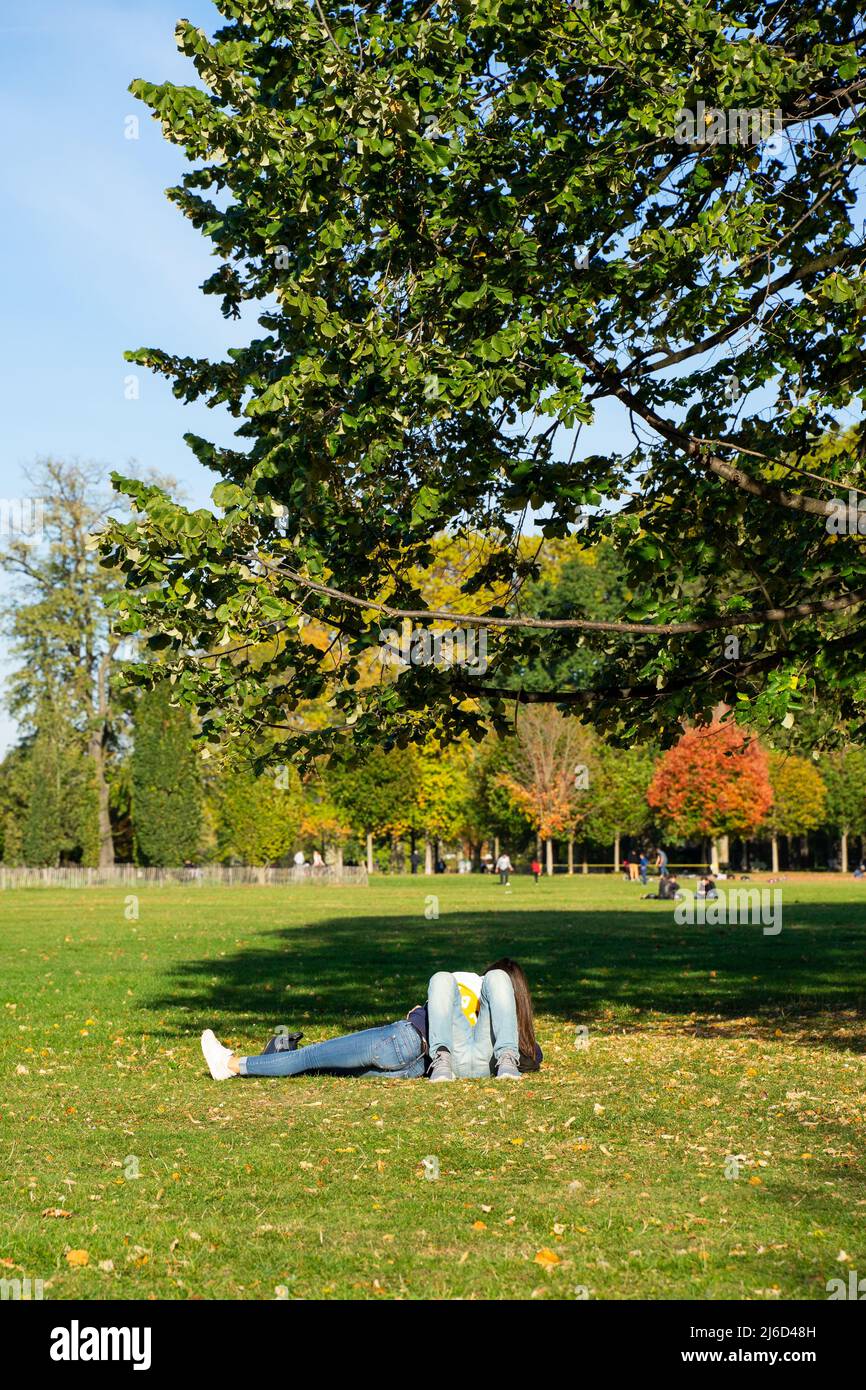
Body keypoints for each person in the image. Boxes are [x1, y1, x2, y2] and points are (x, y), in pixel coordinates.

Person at [425, 959, 542, 1083]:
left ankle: (508, 1058)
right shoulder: (469, 990)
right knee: (440, 977)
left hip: (490, 1059)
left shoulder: (497, 995)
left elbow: (533, 1054)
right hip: (452, 1057)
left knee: (497, 975)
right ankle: (441, 1059)